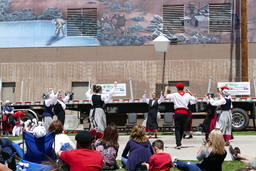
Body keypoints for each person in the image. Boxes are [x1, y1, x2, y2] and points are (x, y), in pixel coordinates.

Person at [164, 83, 196, 149]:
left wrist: (166, 89)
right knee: (182, 128)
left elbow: (165, 96)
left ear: (177, 88)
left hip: (178, 112)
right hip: (185, 113)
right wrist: (190, 92)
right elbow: (195, 99)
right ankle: (180, 142)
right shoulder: (187, 95)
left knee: (177, 128)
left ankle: (178, 144)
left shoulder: (175, 94)